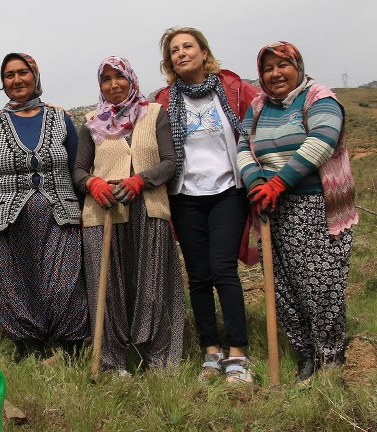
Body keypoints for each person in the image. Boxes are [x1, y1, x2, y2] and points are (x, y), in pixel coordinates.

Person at [237, 41, 357, 384]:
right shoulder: (258, 106)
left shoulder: (319, 97)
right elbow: (244, 147)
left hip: (315, 203)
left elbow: (322, 140)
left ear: (298, 66)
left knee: (320, 282)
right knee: (284, 284)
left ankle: (329, 354)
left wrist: (279, 182)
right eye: (268, 68)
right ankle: (305, 353)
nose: (275, 74)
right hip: (271, 206)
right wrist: (256, 180)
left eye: (283, 65)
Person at [0, 52, 88, 360]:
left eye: (23, 72)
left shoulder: (61, 119)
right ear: (3, 84)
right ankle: (28, 343)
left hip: (60, 214)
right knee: (14, 281)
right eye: (9, 75)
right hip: (5, 217)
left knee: (64, 281)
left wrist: (89, 211)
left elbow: (77, 168)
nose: (17, 79)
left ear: (35, 77)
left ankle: (70, 342)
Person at [154, 27, 260, 383]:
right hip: (186, 195)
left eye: (188, 47)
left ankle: (239, 353)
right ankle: (210, 352)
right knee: (198, 276)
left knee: (223, 269)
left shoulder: (231, 89)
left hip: (229, 190)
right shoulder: (164, 100)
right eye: (174, 50)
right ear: (169, 61)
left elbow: (262, 114)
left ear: (203, 52)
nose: (181, 53)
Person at [73, 56, 184, 374]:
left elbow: (169, 161)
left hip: (149, 210)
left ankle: (159, 358)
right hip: (103, 213)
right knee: (106, 288)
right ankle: (111, 361)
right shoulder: (92, 122)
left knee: (153, 286)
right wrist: (92, 183)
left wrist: (140, 180)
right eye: (105, 80)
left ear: (131, 78)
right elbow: (79, 169)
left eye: (118, 77)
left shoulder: (155, 115)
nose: (113, 85)